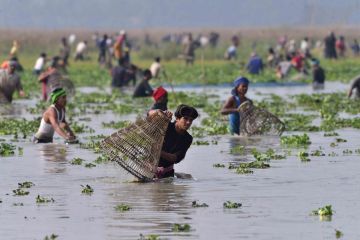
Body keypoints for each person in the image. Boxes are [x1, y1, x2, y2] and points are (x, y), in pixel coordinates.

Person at [154, 104, 198, 178]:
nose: (188, 122)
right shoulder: (165, 126)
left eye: (191, 120)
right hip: (149, 168)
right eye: (185, 118)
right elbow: (152, 114)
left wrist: (159, 151)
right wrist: (163, 114)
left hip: (167, 173)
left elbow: (176, 158)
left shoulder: (188, 138)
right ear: (177, 118)